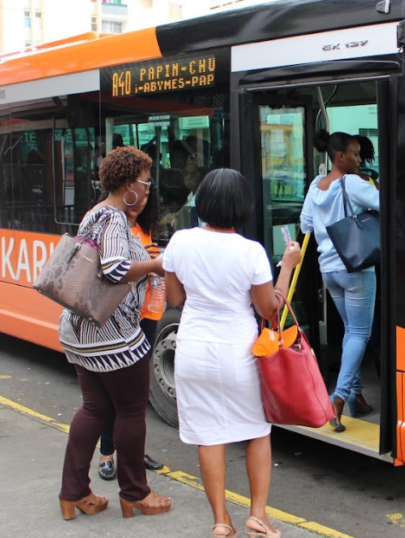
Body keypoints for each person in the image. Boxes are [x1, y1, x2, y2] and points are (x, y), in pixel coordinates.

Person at [162, 168, 301, 538]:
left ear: (203, 201)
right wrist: (287, 266)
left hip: (192, 349)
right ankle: (258, 515)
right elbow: (269, 310)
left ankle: (222, 520)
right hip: (237, 352)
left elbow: (175, 299)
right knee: (256, 431)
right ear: (242, 206)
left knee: (209, 436)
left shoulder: (179, 241)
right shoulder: (251, 251)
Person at [57, 146, 172, 521]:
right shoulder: (115, 219)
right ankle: (136, 493)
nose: (148, 188)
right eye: (145, 181)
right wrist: (156, 264)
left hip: (80, 331)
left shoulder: (94, 213)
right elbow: (115, 268)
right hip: (113, 335)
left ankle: (74, 492)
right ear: (128, 185)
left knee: (94, 409)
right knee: (131, 412)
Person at [300, 131, 379, 432]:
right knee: (360, 333)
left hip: (329, 271)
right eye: (355, 154)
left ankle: (357, 396)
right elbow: (387, 205)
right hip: (355, 267)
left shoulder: (315, 186)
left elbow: (306, 224)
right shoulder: (354, 183)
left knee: (351, 332)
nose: (359, 159)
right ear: (339, 156)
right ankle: (339, 398)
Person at [96, 181, 166, 481]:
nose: (140, 200)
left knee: (138, 394)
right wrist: (151, 264)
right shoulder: (114, 226)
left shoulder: (148, 229)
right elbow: (111, 271)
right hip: (121, 316)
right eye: (137, 194)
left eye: (147, 195)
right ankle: (106, 454)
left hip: (149, 312)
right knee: (114, 393)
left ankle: (133, 453)